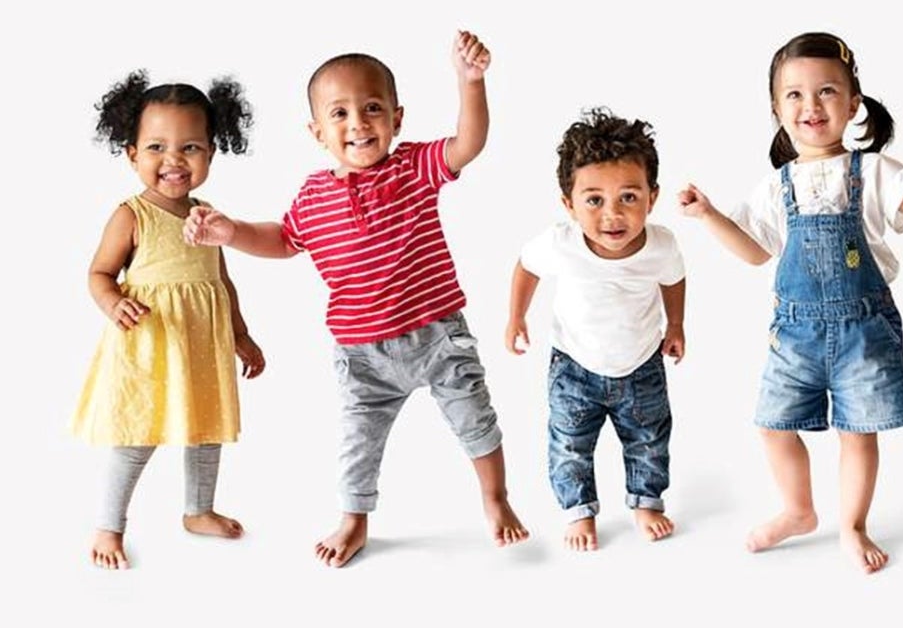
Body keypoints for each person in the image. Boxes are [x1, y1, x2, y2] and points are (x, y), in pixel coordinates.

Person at [184, 31, 527, 567]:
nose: (358, 123)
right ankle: (355, 517)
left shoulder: (414, 167)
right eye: (339, 114)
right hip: (363, 352)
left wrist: (471, 82)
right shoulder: (313, 197)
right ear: (317, 131)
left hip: (437, 333)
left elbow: (469, 142)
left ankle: (495, 498)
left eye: (372, 109)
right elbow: (283, 240)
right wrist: (231, 232)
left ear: (397, 118)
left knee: (476, 419)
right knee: (357, 444)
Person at [679, 32, 903, 573]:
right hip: (796, 335)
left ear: (853, 103)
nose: (811, 106)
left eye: (827, 91)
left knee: (858, 432)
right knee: (772, 424)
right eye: (796, 95)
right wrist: (709, 215)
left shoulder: (872, 170)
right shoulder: (776, 185)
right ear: (777, 109)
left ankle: (852, 525)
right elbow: (756, 253)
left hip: (863, 331)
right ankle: (799, 510)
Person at [72, 71, 265, 570]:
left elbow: (222, 282)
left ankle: (198, 511)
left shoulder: (207, 215)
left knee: (206, 431)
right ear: (131, 154)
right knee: (137, 437)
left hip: (201, 345)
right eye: (156, 146)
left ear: (212, 153)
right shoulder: (132, 215)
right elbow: (98, 273)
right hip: (150, 347)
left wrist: (241, 335)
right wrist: (113, 302)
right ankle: (109, 526)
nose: (173, 160)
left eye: (191, 147)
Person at [506, 108, 685, 551]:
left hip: (642, 363)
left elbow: (674, 278)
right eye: (594, 200)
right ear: (569, 203)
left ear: (652, 196)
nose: (612, 215)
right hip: (574, 366)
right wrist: (516, 317)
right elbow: (526, 267)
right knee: (569, 442)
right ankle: (578, 510)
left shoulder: (661, 245)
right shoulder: (560, 244)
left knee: (648, 436)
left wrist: (676, 324)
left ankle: (646, 501)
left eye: (629, 197)